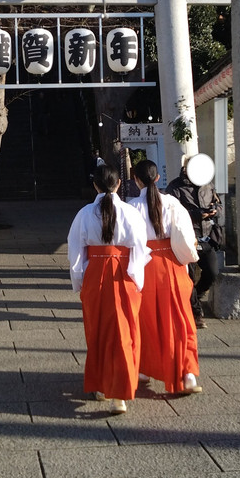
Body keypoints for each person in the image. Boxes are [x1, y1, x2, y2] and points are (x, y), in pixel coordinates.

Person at [67, 164, 151, 415]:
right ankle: (121, 392)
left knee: (98, 331)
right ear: (118, 184)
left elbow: (75, 252)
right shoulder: (130, 212)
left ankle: (103, 386)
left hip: (96, 274)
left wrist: (79, 280)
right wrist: (137, 279)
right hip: (124, 272)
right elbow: (139, 247)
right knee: (125, 331)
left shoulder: (84, 213)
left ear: (95, 185)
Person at [128, 159, 202, 394]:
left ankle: (144, 367)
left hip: (144, 266)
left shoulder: (130, 207)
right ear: (158, 178)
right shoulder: (172, 203)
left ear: (135, 179)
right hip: (171, 265)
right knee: (181, 321)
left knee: (146, 320)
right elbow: (185, 238)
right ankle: (187, 372)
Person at [165, 157, 222, 328]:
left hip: (207, 237)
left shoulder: (208, 185)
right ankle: (196, 313)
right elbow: (171, 214)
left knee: (212, 272)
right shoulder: (175, 187)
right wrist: (197, 214)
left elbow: (218, 204)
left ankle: (195, 296)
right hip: (187, 237)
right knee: (188, 277)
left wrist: (214, 211)